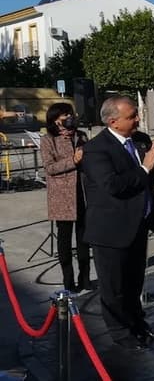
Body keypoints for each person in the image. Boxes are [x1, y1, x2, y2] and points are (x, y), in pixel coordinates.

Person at [81, 96, 154, 350]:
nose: (138, 119)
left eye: (136, 114)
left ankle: (137, 323)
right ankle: (120, 332)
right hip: (111, 229)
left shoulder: (139, 140)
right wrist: (145, 165)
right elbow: (113, 186)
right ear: (113, 121)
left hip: (139, 224)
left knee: (134, 282)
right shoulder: (96, 149)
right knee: (114, 286)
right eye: (132, 116)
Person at [41, 103, 91, 292]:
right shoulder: (48, 140)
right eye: (65, 115)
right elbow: (49, 168)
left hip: (83, 193)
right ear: (56, 119)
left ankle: (85, 278)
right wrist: (73, 160)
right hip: (62, 196)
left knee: (84, 240)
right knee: (64, 240)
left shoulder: (81, 136)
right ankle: (68, 281)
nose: (69, 117)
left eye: (70, 114)